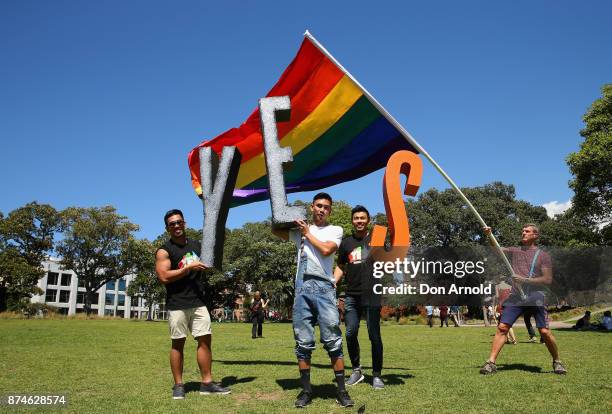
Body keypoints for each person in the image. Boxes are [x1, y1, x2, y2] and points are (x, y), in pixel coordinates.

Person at [272, 193, 353, 408]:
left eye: (326, 207)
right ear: (311, 207)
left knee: (333, 340)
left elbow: (327, 250)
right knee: (303, 342)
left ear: (330, 211)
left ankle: (342, 391)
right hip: (302, 290)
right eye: (318, 205)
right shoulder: (299, 231)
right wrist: (287, 215)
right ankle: (306, 391)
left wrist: (307, 233)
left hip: (325, 289)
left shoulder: (335, 230)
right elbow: (275, 230)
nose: (322, 210)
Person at [155, 209, 231, 399]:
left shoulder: (197, 246)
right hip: (177, 303)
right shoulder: (165, 251)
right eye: (172, 224)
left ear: (184, 223)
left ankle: (206, 383)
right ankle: (179, 385)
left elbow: (211, 260)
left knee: (205, 341)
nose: (176, 226)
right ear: (167, 228)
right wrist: (188, 267)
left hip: (198, 301)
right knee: (177, 343)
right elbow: (164, 276)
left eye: (179, 222)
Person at [479, 224, 567, 375]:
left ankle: (557, 361)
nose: (523, 233)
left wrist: (524, 280)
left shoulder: (543, 256)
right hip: (516, 296)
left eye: (527, 231)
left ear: (535, 236)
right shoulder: (515, 250)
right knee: (502, 328)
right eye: (523, 231)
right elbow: (497, 250)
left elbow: (547, 279)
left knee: (544, 332)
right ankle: (491, 362)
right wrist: (489, 236)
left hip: (536, 295)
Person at [334, 205, 385, 389]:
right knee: (350, 332)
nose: (359, 221)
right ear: (352, 221)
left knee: (374, 335)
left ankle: (377, 375)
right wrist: (334, 281)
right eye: (356, 218)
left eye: (363, 218)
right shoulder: (346, 243)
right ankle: (356, 370)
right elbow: (340, 265)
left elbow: (389, 256)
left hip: (372, 294)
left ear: (368, 221)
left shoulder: (376, 238)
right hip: (351, 295)